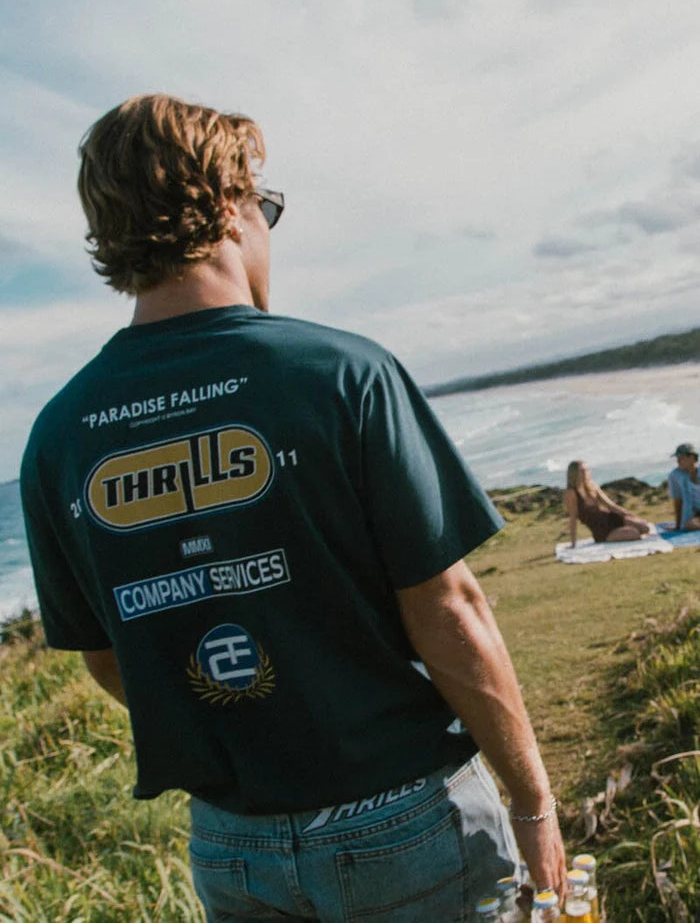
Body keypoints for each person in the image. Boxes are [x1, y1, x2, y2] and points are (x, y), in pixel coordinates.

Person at [20, 94, 566, 921]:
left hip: (231, 844)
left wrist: (247, 719)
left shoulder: (59, 436)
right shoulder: (342, 375)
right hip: (405, 820)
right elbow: (450, 609)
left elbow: (105, 656)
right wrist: (533, 802)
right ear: (229, 207)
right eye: (266, 206)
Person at [564, 461, 650, 548]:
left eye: (586, 470)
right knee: (634, 533)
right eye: (582, 471)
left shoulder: (592, 486)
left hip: (611, 518)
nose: (585, 473)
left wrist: (628, 515)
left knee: (645, 528)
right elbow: (573, 518)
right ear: (574, 474)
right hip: (602, 530)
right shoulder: (571, 492)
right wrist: (573, 543)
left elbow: (610, 505)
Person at [668, 443, 700, 531]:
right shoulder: (674, 476)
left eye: (681, 458)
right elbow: (677, 501)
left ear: (692, 457)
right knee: (690, 524)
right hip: (696, 514)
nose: (678, 461)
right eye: (677, 458)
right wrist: (678, 525)